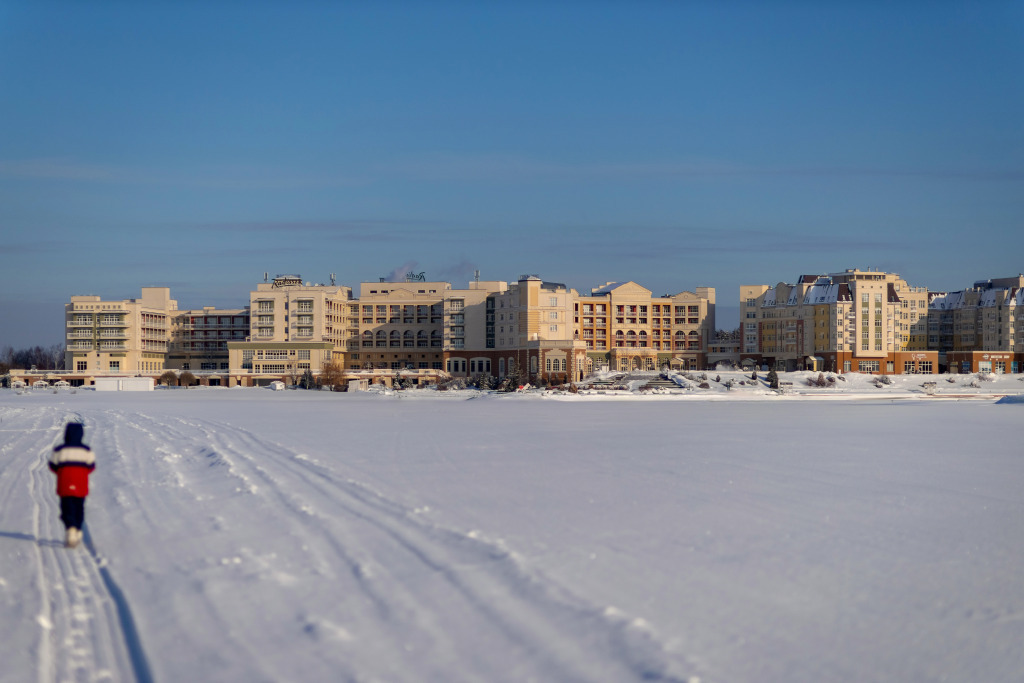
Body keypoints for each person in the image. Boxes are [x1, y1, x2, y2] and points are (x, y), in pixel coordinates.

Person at [49, 422, 95, 548]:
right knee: (79, 508)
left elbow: (53, 465)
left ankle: (70, 529)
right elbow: (91, 466)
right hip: (81, 486)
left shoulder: (60, 449)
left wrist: (61, 472)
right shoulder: (86, 450)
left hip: (65, 485)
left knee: (66, 509)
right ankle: (78, 530)